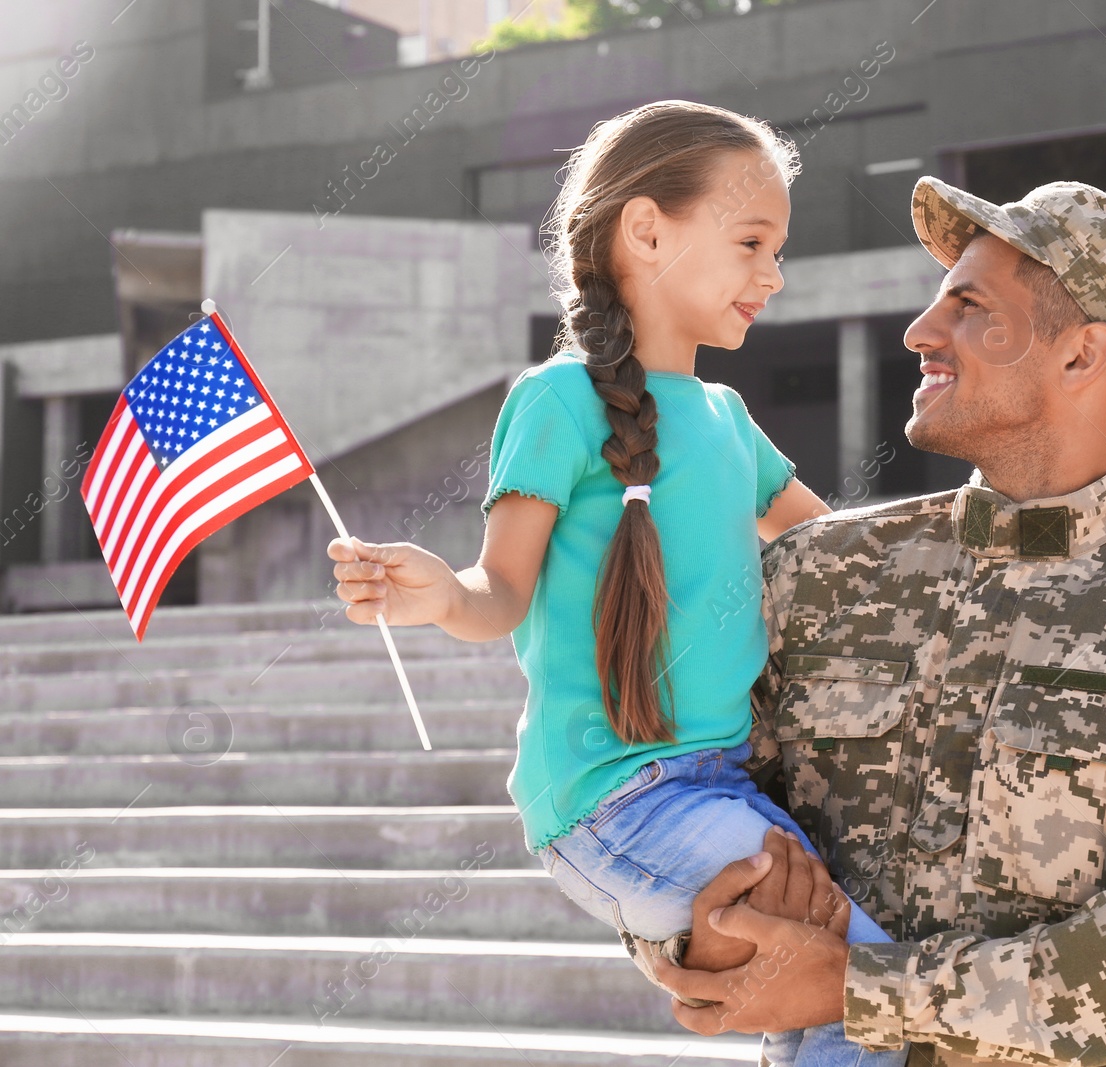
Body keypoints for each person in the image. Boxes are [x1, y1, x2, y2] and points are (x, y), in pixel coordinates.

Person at [637, 177, 1106, 1067]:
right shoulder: (815, 574)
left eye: (968, 307)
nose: (921, 332)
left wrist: (859, 987)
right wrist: (694, 937)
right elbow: (674, 799)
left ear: (1083, 355)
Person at [326, 99, 908, 1067]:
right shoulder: (554, 400)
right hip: (617, 801)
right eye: (752, 241)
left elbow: (841, 543)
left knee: (815, 990)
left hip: (725, 783)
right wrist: (436, 595)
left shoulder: (724, 415)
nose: (773, 274)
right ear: (646, 230)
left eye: (778, 247)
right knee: (866, 983)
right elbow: (497, 592)